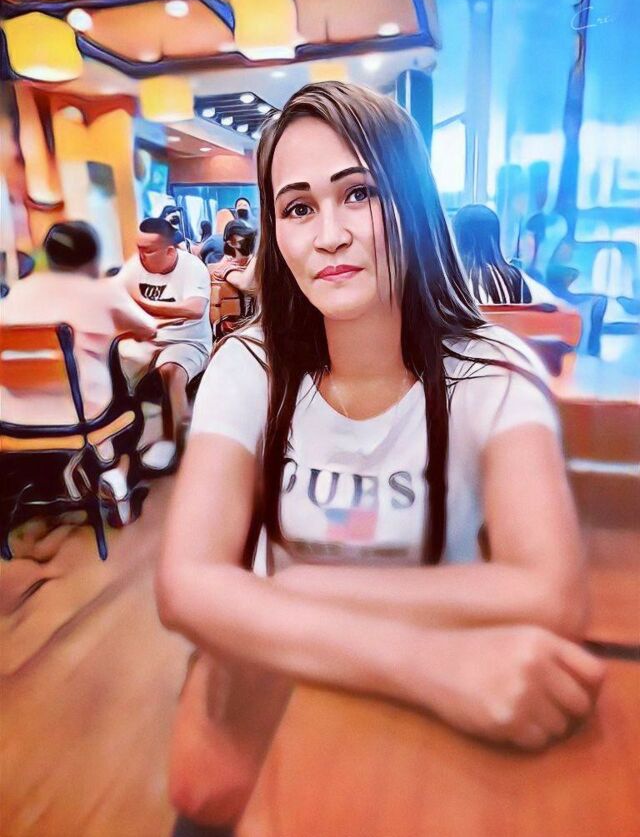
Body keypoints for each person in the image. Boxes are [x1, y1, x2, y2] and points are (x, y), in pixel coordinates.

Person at [157, 82, 604, 827]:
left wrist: (299, 590)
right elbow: (184, 585)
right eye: (298, 208)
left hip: (425, 732)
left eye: (358, 193)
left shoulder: (490, 372)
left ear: (412, 200)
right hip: (292, 702)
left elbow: (551, 592)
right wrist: (426, 661)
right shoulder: (249, 367)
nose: (329, 234)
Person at [2, 220, 156, 426]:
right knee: (134, 362)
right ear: (94, 258)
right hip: (81, 413)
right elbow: (148, 329)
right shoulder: (103, 291)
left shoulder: (19, 290)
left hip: (11, 416)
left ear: (49, 257)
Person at [119, 218, 212, 470]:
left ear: (170, 251)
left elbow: (194, 309)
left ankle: (174, 440)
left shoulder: (192, 268)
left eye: (148, 250)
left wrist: (145, 305)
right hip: (146, 340)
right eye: (139, 248)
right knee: (111, 366)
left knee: (170, 370)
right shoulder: (134, 266)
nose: (141, 255)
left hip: (188, 341)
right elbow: (115, 297)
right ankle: (119, 444)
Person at [453, 204, 563, 306]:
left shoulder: (452, 281)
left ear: (456, 238)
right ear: (495, 238)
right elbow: (556, 306)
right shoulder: (517, 278)